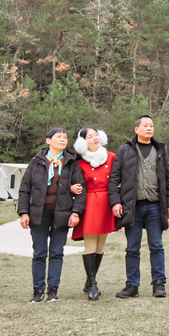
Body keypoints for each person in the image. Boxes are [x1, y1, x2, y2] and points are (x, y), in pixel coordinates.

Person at [109, 114, 169, 298]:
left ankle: (159, 284)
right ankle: (132, 286)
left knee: (157, 246)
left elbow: (168, 177)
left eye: (151, 125)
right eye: (145, 125)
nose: (149, 128)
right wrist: (115, 201)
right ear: (136, 129)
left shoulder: (160, 149)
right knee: (132, 248)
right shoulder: (125, 150)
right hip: (132, 206)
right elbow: (114, 178)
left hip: (155, 206)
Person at [18, 128, 85, 303]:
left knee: (56, 252)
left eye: (65, 137)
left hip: (61, 214)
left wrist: (76, 212)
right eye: (58, 137)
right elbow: (25, 188)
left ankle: (53, 291)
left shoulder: (71, 162)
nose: (62, 139)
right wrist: (24, 212)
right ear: (48, 140)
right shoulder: (37, 161)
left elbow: (81, 189)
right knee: (39, 253)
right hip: (38, 214)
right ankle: (38, 291)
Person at [70, 126, 117, 301]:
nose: (95, 138)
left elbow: (118, 177)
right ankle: (93, 284)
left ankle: (89, 281)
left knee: (100, 246)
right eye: (90, 136)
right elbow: (71, 181)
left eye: (96, 135)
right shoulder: (78, 162)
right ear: (83, 142)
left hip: (106, 203)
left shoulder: (111, 157)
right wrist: (71, 188)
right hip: (89, 203)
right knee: (90, 244)